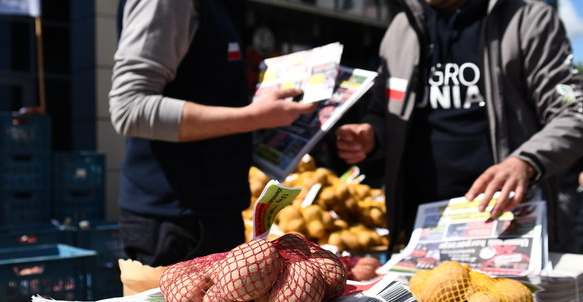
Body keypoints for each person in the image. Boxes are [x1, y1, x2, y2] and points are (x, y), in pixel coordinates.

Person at [335, 0, 583, 253]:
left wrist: (526, 162)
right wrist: (371, 136)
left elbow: (573, 111)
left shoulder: (528, 18)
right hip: (424, 229)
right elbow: (383, 111)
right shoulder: (402, 27)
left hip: (506, 224)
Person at [108, 0, 316, 266]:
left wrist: (259, 108)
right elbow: (129, 109)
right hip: (180, 225)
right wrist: (253, 117)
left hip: (208, 215)